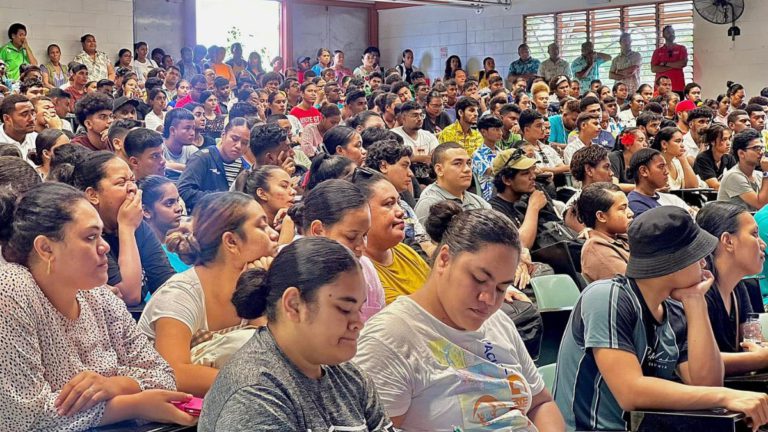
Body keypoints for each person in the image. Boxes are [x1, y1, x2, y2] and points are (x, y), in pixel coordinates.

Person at [0, 182, 197, 430]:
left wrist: (116, 385)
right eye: (90, 237)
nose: (104, 247)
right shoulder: (11, 289)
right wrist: (134, 404)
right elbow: (22, 418)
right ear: (46, 248)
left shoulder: (100, 296)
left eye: (101, 235)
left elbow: (165, 377)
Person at [355, 200, 564, 430]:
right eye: (478, 279)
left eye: (501, 288)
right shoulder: (388, 340)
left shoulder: (498, 322)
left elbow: (541, 402)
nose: (489, 299)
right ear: (444, 259)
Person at [555, 205, 768, 431]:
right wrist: (724, 396)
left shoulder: (674, 309)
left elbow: (706, 382)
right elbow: (631, 392)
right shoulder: (607, 296)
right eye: (696, 254)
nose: (704, 262)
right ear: (672, 262)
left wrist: (695, 302)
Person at [199, 236, 393, 431]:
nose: (358, 323)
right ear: (294, 305)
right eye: (344, 309)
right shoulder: (252, 394)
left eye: (360, 309)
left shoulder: (352, 378)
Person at [139, 191, 277, 397]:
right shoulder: (179, 296)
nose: (273, 234)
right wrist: (262, 384)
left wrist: (258, 285)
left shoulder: (249, 283)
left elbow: (269, 350)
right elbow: (174, 373)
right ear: (231, 242)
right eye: (261, 226)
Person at [66, 151, 175, 305]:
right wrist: (127, 228)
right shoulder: (84, 235)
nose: (132, 189)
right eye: (121, 182)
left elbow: (167, 284)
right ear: (93, 195)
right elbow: (129, 296)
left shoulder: (139, 226)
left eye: (132, 180)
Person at [292, 179, 386, 321]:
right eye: (351, 237)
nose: (362, 246)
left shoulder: (366, 268)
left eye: (365, 235)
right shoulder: (287, 271)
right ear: (318, 231)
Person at [696, 202, 768, 376]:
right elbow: (696, 364)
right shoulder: (699, 292)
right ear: (728, 241)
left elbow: (755, 343)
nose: (763, 244)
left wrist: (761, 353)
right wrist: (760, 358)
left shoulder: (738, 288)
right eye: (754, 234)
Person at [350, 167, 430, 304]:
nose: (401, 212)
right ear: (361, 212)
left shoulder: (406, 251)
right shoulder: (361, 272)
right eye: (389, 204)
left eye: (398, 203)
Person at [178, 117, 250, 210]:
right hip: (204, 218)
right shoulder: (202, 158)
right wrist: (223, 199)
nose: (238, 146)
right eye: (234, 139)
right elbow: (183, 191)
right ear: (223, 135)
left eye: (244, 143)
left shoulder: (245, 168)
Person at [415, 141, 490, 226]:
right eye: (458, 163)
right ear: (439, 170)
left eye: (468, 163)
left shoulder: (479, 202)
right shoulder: (429, 204)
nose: (467, 169)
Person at [576, 182, 632, 283]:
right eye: (623, 208)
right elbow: (637, 289)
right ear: (601, 216)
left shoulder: (621, 236)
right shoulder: (597, 249)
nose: (631, 213)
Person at [137, 175, 190, 273]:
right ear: (146, 211)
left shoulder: (176, 246)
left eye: (177, 201)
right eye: (169, 203)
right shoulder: (144, 255)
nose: (179, 208)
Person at [627, 148, 692, 217]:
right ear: (644, 171)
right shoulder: (635, 203)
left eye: (666, 166)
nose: (667, 172)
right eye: (661, 167)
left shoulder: (672, 198)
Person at [243, 165, 297, 244]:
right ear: (262, 193)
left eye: (291, 186)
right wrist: (288, 222)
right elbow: (282, 257)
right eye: (284, 186)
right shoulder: (249, 231)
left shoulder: (295, 221)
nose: (293, 192)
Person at [718, 128, 768, 211]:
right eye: (756, 148)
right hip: (732, 223)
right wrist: (766, 173)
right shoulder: (733, 176)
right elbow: (761, 205)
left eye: (762, 148)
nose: (761, 152)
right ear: (741, 153)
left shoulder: (758, 175)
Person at [693, 123, 736, 190]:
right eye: (724, 139)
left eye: (729, 139)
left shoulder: (729, 158)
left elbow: (736, 180)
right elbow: (715, 186)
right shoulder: (703, 159)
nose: (728, 143)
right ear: (712, 141)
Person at [651, 25, 689, 96]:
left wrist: (664, 64)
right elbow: (653, 68)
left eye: (673, 32)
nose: (671, 34)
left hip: (678, 87)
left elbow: (682, 64)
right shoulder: (657, 51)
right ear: (663, 35)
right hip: (661, 88)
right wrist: (675, 65)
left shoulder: (681, 48)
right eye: (668, 32)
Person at [473, 114, 504, 200]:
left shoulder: (501, 152)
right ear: (484, 132)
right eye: (496, 130)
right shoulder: (477, 154)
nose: (500, 133)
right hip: (488, 195)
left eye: (500, 129)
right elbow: (490, 171)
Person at [162, 107, 198, 181]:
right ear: (172, 130)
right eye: (187, 128)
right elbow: (160, 165)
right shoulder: (159, 148)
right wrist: (188, 168)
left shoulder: (192, 150)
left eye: (193, 128)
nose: (192, 133)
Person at [0, 94, 37, 160]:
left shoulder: (36, 138)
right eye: (24, 114)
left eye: (32, 113)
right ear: (7, 119)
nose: (32, 119)